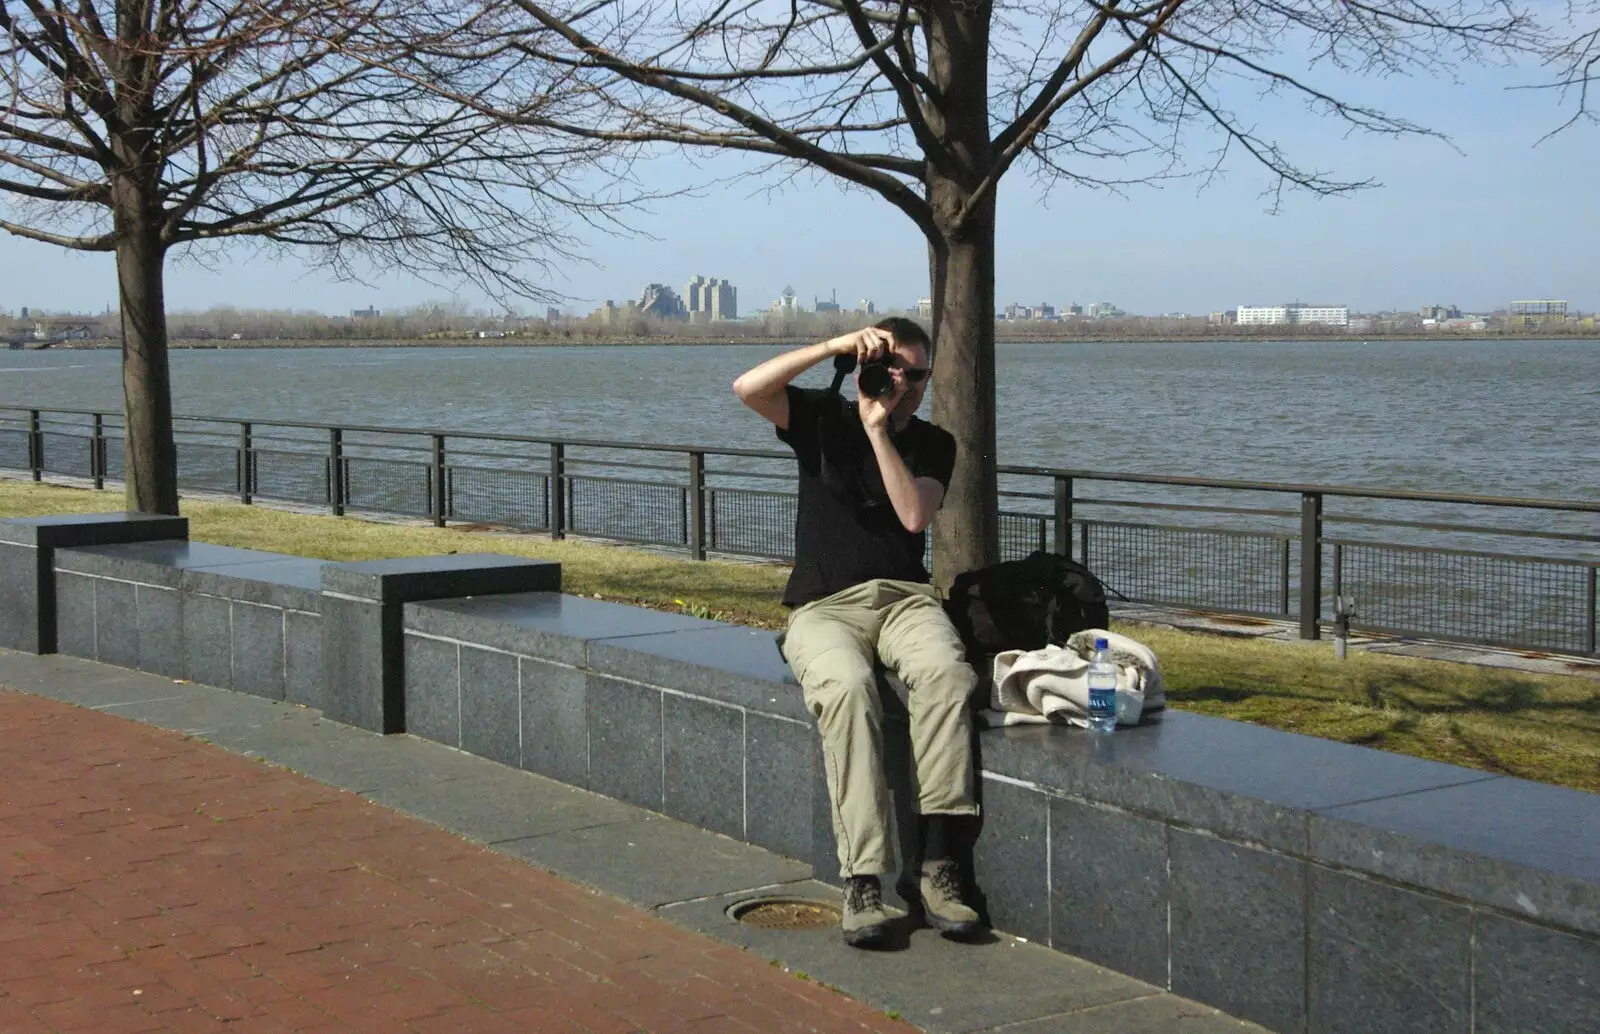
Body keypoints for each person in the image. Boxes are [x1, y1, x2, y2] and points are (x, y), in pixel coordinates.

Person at [732, 317, 984, 949]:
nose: (904, 382)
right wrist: (834, 348)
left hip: (905, 600)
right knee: (847, 686)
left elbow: (912, 515)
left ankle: (938, 866)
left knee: (947, 674)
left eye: (918, 373)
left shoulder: (935, 444)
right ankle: (863, 881)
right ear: (873, 365)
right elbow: (747, 387)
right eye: (893, 367)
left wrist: (880, 432)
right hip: (824, 606)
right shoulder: (822, 418)